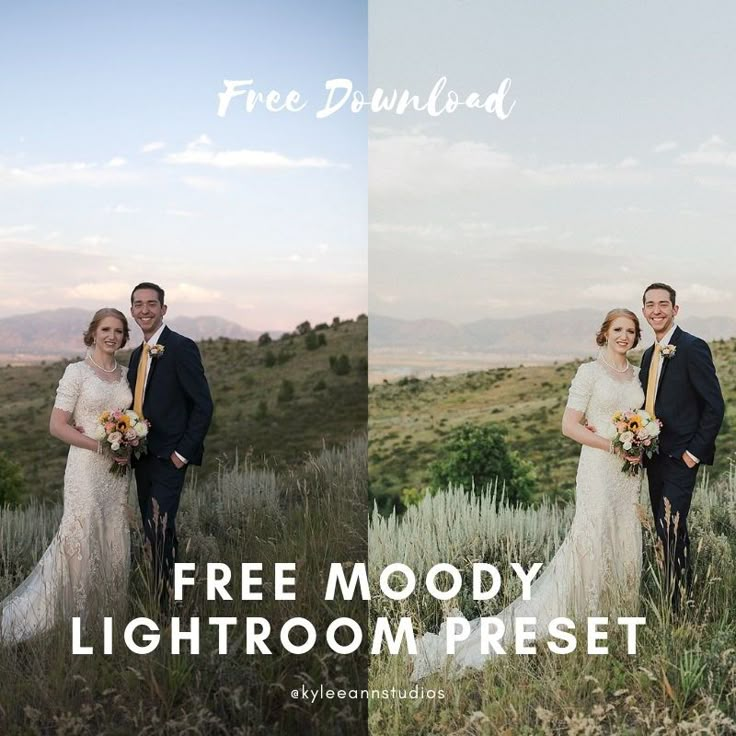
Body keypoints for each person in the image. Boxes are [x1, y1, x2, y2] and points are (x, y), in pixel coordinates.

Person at [412, 309, 645, 679]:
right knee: (593, 537)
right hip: (600, 469)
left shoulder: (637, 376)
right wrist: (610, 445)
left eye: (631, 331)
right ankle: (578, 617)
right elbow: (569, 426)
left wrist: (641, 437)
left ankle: (617, 620)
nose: (625, 336)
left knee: (623, 536)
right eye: (618, 329)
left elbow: (641, 416)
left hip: (630, 474)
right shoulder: (589, 373)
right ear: (604, 333)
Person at [0, 309, 132, 641]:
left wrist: (129, 441)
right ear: (93, 333)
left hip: (117, 472)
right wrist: (99, 446)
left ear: (124, 336)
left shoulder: (127, 375)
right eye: (105, 329)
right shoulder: (76, 373)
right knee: (83, 531)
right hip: (86, 468)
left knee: (113, 531)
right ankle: (77, 616)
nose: (111, 336)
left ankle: (109, 615)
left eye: (118, 330)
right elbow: (57, 426)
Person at [127, 282, 213, 607]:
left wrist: (182, 453)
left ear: (164, 309)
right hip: (141, 458)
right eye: (138, 304)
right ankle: (168, 595)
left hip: (169, 458)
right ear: (132, 310)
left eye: (152, 304)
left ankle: (166, 611)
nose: (145, 310)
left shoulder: (181, 347)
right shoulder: (137, 355)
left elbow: (203, 405)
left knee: (160, 529)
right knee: (155, 531)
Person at [639, 283, 724, 611]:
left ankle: (678, 607)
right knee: (664, 530)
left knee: (672, 529)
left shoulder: (692, 347)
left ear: (675, 309)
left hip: (680, 459)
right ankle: (672, 596)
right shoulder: (649, 354)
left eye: (663, 304)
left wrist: (693, 454)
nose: (656, 310)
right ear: (644, 310)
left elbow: (713, 406)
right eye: (650, 305)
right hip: (653, 459)